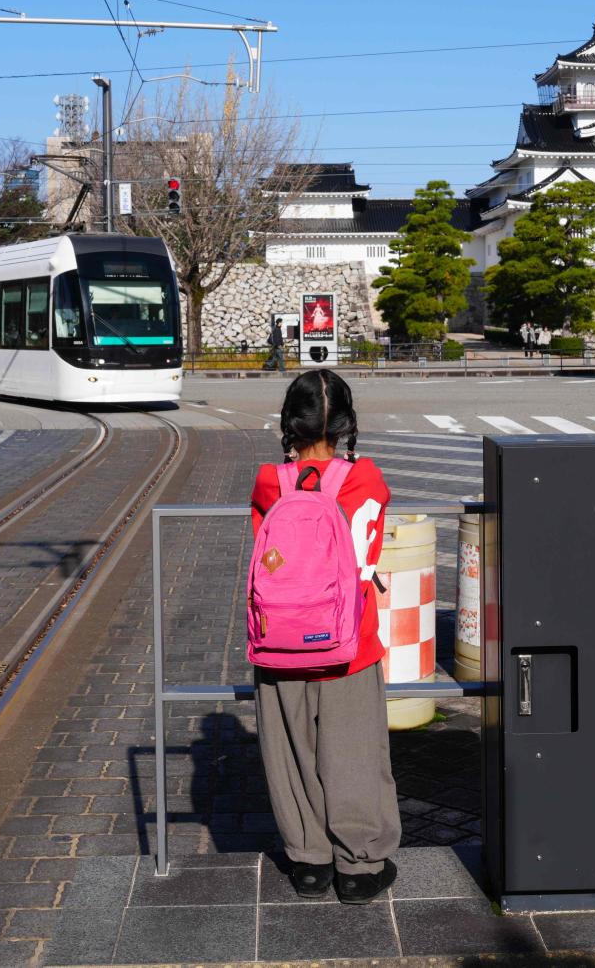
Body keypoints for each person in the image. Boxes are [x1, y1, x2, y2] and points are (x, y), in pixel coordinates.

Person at [250, 369, 399, 903]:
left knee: (291, 751)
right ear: (345, 423)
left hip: (281, 639)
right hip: (350, 639)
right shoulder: (367, 479)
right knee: (354, 750)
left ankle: (309, 861)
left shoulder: (272, 482)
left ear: (291, 421)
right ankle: (359, 865)